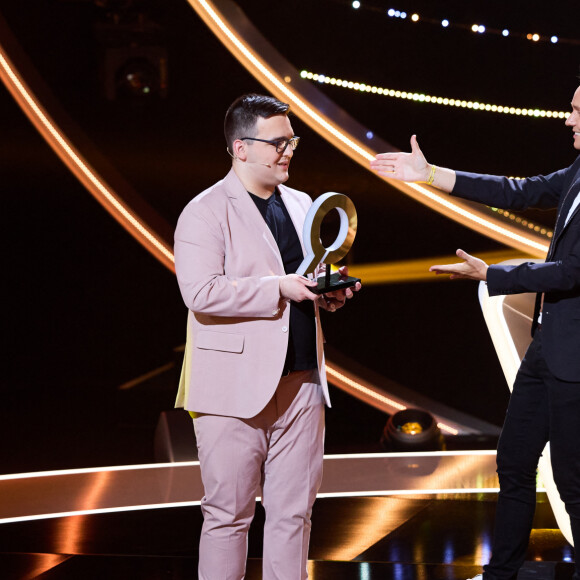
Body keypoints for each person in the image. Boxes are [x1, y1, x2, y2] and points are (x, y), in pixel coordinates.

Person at [370, 84, 580, 580]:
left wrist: (494, 275)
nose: (567, 118)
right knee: (514, 460)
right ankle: (501, 572)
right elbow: (518, 190)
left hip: (576, 357)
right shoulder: (577, 170)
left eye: (575, 109)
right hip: (549, 346)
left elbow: (573, 272)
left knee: (573, 483)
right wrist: (433, 176)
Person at [174, 93, 359, 580]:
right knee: (228, 516)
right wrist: (277, 287)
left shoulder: (301, 204)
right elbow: (200, 292)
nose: (288, 150)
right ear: (240, 148)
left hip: (300, 382)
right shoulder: (205, 210)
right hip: (232, 388)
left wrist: (328, 293)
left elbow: (308, 278)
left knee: (293, 515)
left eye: (292, 140)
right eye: (277, 142)